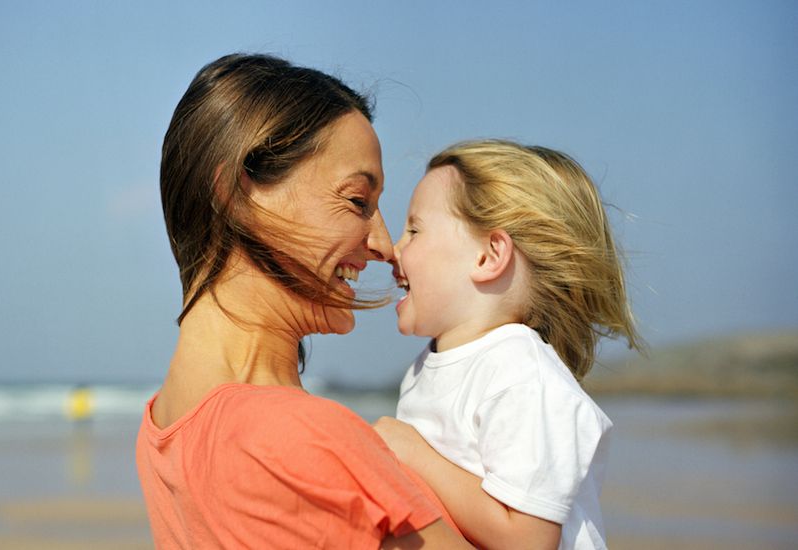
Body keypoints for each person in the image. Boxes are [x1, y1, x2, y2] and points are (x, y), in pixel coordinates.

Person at [135, 53, 471, 549]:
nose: (382, 243)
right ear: (236, 193)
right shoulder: (303, 435)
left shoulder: (159, 428)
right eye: (358, 202)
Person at [374, 140, 643, 549]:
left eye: (414, 229)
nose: (395, 250)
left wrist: (412, 453)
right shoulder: (430, 367)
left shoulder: (521, 374)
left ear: (488, 256)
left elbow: (527, 539)